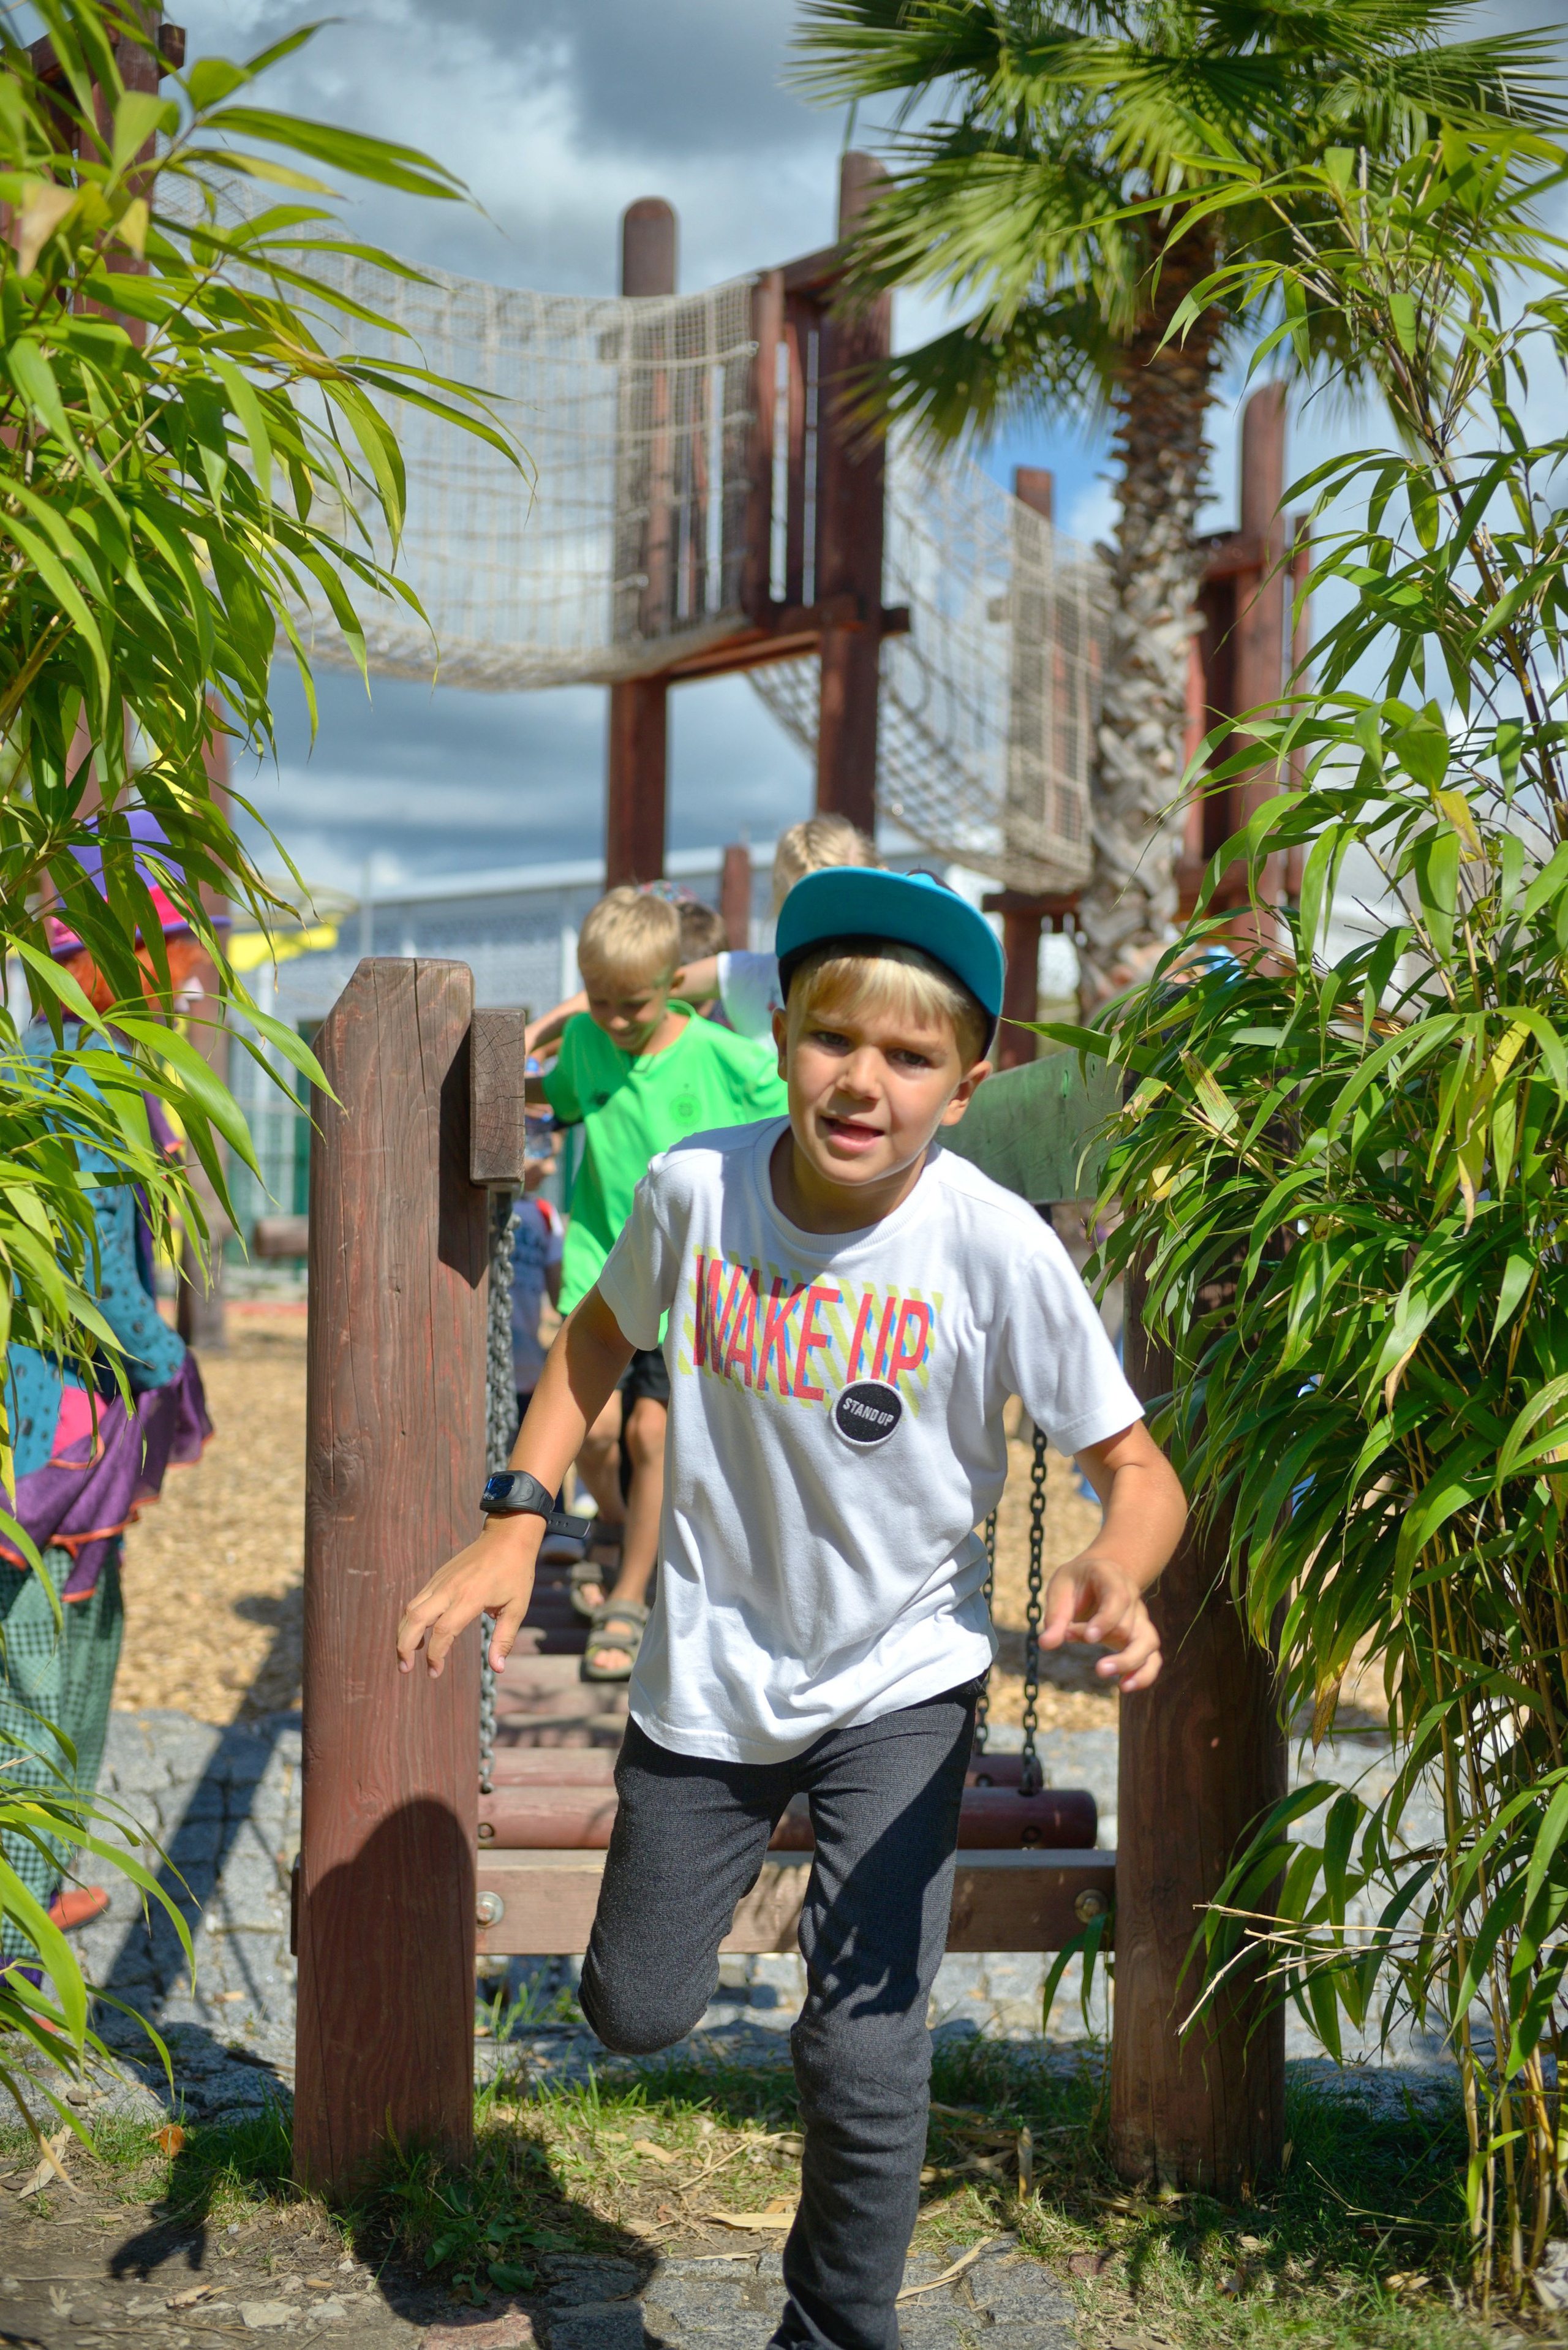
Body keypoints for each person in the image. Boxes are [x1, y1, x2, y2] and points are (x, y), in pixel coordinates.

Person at [399, 866, 1186, 2350]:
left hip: (905, 1679)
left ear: (964, 1084)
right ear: (779, 1037)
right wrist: (518, 1516)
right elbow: (587, 1342)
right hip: (709, 1678)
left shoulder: (992, 1244)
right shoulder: (696, 1190)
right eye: (836, 1040)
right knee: (633, 2008)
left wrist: (1113, 1564)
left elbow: (1137, 1472)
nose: (862, 1082)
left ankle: (832, 2329)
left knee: (864, 2035)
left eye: (907, 1059)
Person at [0, 872, 214, 1970]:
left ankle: (34, 1890)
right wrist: (173, 1366)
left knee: (49, 1656)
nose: (182, 991)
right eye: (171, 966)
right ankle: (11, 1925)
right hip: (57, 1446)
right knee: (51, 1670)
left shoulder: (40, 1064)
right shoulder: (87, 1082)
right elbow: (96, 1285)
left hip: (51, 1436)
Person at [537, 886, 786, 1676]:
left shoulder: (724, 1056)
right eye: (600, 1000)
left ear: (676, 980)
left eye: (632, 1004)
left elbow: (792, 1106)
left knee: (653, 1434)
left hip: (690, 1281)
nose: (614, 1019)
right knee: (595, 1432)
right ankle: (614, 1525)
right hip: (600, 1269)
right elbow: (560, 1098)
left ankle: (629, 1590)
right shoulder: (585, 1041)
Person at [522, 817, 873, 1059]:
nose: (829, 932)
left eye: (845, 909)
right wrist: (532, 1042)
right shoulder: (749, 976)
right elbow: (629, 987)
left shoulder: (889, 983)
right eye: (812, 911)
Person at [511, 1138, 564, 1427]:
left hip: (528, 1369)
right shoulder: (484, 1206)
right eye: (544, 1155)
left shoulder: (546, 1215)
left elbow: (559, 1297)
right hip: (482, 1368)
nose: (552, 1169)